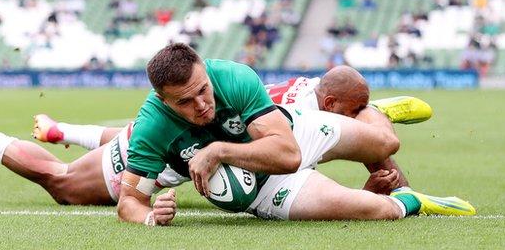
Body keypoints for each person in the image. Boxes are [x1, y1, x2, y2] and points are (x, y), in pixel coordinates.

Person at [0, 65, 428, 207]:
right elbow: (293, 162)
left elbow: (298, 160)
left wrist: (385, 177)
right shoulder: (307, 108)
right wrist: (395, 185)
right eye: (359, 112)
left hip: (191, 150)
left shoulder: (304, 93)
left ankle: (60, 129)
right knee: (65, 185)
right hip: (171, 156)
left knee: (151, 136)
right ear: (339, 105)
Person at [116, 44, 474, 225]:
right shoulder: (151, 127)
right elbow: (128, 201)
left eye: (203, 90)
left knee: (385, 143)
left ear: (206, 72)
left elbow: (288, 155)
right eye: (185, 101)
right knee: (371, 209)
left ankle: (372, 111)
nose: (202, 105)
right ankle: (414, 200)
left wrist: (218, 151)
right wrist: (149, 215)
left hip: (292, 132)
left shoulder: (233, 77)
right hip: (263, 191)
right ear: (162, 100)